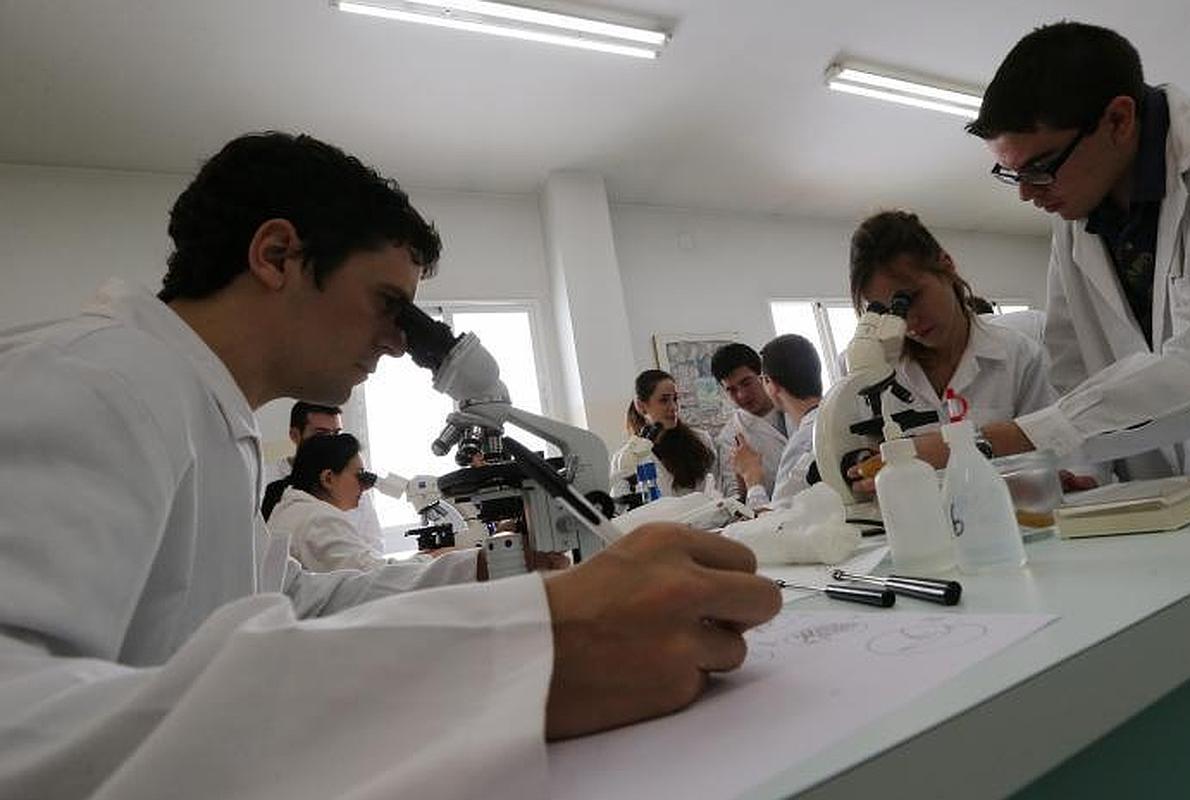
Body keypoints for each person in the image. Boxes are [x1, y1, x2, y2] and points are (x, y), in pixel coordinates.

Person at [0, 131, 780, 799]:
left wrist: (484, 579)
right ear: (277, 255)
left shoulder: (206, 415)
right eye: (387, 303)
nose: (402, 340)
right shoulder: (93, 380)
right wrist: (516, 658)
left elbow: (292, 603)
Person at [962, 20, 1190, 480]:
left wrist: (1009, 439)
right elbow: (1072, 366)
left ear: (1119, 120)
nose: (1027, 194)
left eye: (1039, 167)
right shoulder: (1077, 214)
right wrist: (1078, 468)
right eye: (1012, 175)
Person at [846, 211, 1058, 482]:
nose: (910, 321)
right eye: (892, 312)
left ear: (946, 265)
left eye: (911, 297)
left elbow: (1061, 456)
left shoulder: (1021, 357)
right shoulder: (878, 377)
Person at [261, 402, 384, 563]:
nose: (332, 442)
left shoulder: (294, 503)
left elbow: (372, 550)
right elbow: (368, 570)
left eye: (337, 434)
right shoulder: (317, 518)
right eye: (322, 435)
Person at [270, 432, 391, 572]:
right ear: (328, 479)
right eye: (359, 475)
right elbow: (371, 573)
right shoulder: (320, 520)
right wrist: (421, 562)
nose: (364, 486)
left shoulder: (287, 509)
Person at [733, 334, 823, 510]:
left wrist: (752, 479)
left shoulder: (802, 444)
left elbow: (776, 526)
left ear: (770, 384)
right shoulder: (838, 420)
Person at [610, 369, 718, 497]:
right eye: (664, 400)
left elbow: (716, 490)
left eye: (675, 399)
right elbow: (622, 508)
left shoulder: (701, 441)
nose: (673, 407)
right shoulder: (626, 459)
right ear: (641, 406)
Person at [710, 342, 790, 501]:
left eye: (746, 383)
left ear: (762, 375)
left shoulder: (792, 407)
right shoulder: (730, 437)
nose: (742, 395)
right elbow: (736, 503)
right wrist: (744, 476)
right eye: (731, 390)